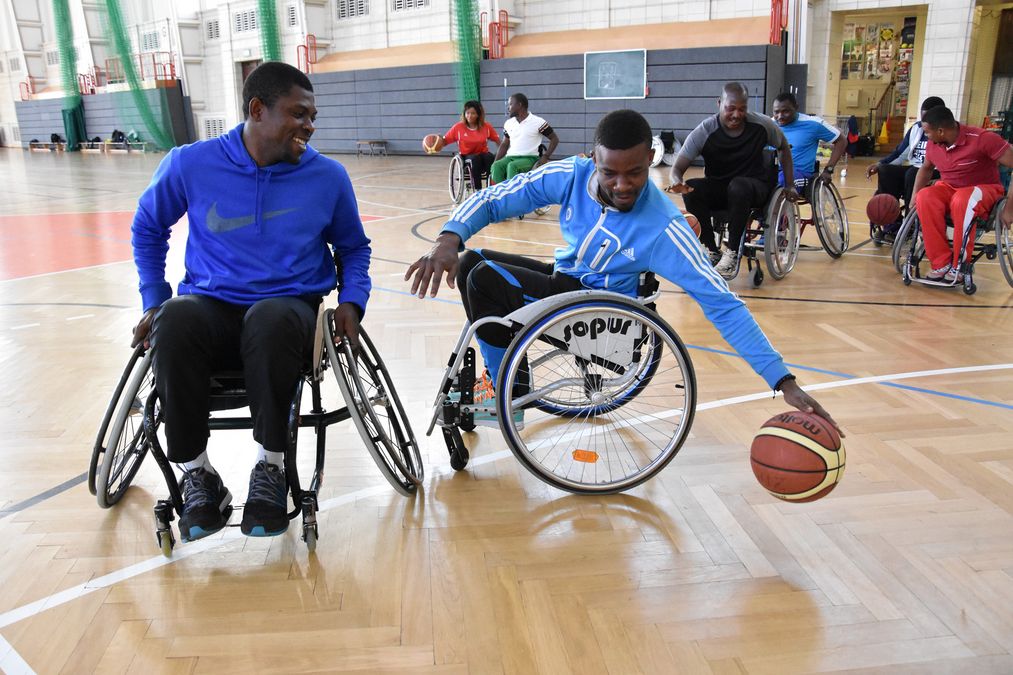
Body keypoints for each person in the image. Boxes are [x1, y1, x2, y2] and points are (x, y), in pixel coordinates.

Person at [405, 109, 841, 436]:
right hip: (570, 289)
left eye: (634, 172)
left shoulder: (664, 229)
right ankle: (509, 382)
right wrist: (447, 239)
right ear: (592, 158)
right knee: (470, 261)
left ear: (651, 159)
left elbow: (723, 305)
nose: (622, 184)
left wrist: (782, 381)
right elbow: (498, 198)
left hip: (603, 323)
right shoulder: (572, 175)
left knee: (483, 279)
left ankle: (507, 393)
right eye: (609, 172)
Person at [130, 62, 372, 542]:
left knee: (271, 317)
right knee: (174, 320)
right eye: (298, 114)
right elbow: (147, 227)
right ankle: (197, 475)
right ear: (257, 110)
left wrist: (353, 300)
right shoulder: (191, 163)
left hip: (289, 312)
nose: (309, 125)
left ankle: (271, 467)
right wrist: (154, 298)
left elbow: (353, 247)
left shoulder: (328, 176)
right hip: (212, 309)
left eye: (313, 115)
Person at [668, 82, 798, 279]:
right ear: (719, 103)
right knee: (693, 188)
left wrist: (790, 185)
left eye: (742, 109)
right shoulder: (705, 130)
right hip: (721, 188)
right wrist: (678, 181)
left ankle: (732, 252)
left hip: (755, 188)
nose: (737, 114)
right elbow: (677, 168)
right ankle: (711, 250)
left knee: (738, 186)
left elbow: (784, 148)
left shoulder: (762, 125)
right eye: (731, 108)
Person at [912, 105, 1013, 281]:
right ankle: (941, 262)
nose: (926, 136)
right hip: (950, 188)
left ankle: (960, 264)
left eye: (927, 132)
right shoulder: (933, 145)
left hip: (985, 189)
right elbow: (926, 169)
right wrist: (914, 195)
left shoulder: (982, 139)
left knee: (963, 199)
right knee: (924, 196)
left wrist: (1010, 209)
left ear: (941, 131)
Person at [866, 96, 945, 219]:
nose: (924, 121)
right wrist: (880, 164)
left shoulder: (946, 133)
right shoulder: (916, 128)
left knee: (912, 174)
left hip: (936, 172)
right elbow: (899, 153)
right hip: (916, 168)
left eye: (928, 118)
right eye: (923, 117)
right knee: (886, 171)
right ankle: (892, 221)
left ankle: (910, 222)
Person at [771, 92, 847, 193]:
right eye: (776, 112)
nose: (780, 116)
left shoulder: (813, 124)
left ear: (796, 107)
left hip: (800, 173)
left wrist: (829, 169)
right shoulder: (769, 125)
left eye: (785, 111)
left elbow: (841, 140)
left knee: (782, 181)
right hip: (773, 170)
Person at [490, 93, 559, 184]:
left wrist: (545, 156)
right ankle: (498, 196)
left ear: (519, 105)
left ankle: (513, 196)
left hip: (530, 158)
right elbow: (504, 144)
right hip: (510, 157)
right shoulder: (508, 123)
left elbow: (554, 139)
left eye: (510, 104)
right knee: (496, 166)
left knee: (512, 166)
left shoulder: (538, 122)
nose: (508, 108)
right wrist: (495, 162)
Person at [442, 100, 500, 190]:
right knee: (475, 159)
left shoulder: (486, 127)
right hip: (466, 156)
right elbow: (444, 141)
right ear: (464, 114)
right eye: (467, 113)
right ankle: (478, 190)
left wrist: (503, 151)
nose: (469, 115)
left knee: (490, 157)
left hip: (483, 154)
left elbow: (497, 140)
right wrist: (436, 142)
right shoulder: (458, 127)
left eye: (473, 113)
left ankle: (491, 187)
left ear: (478, 115)